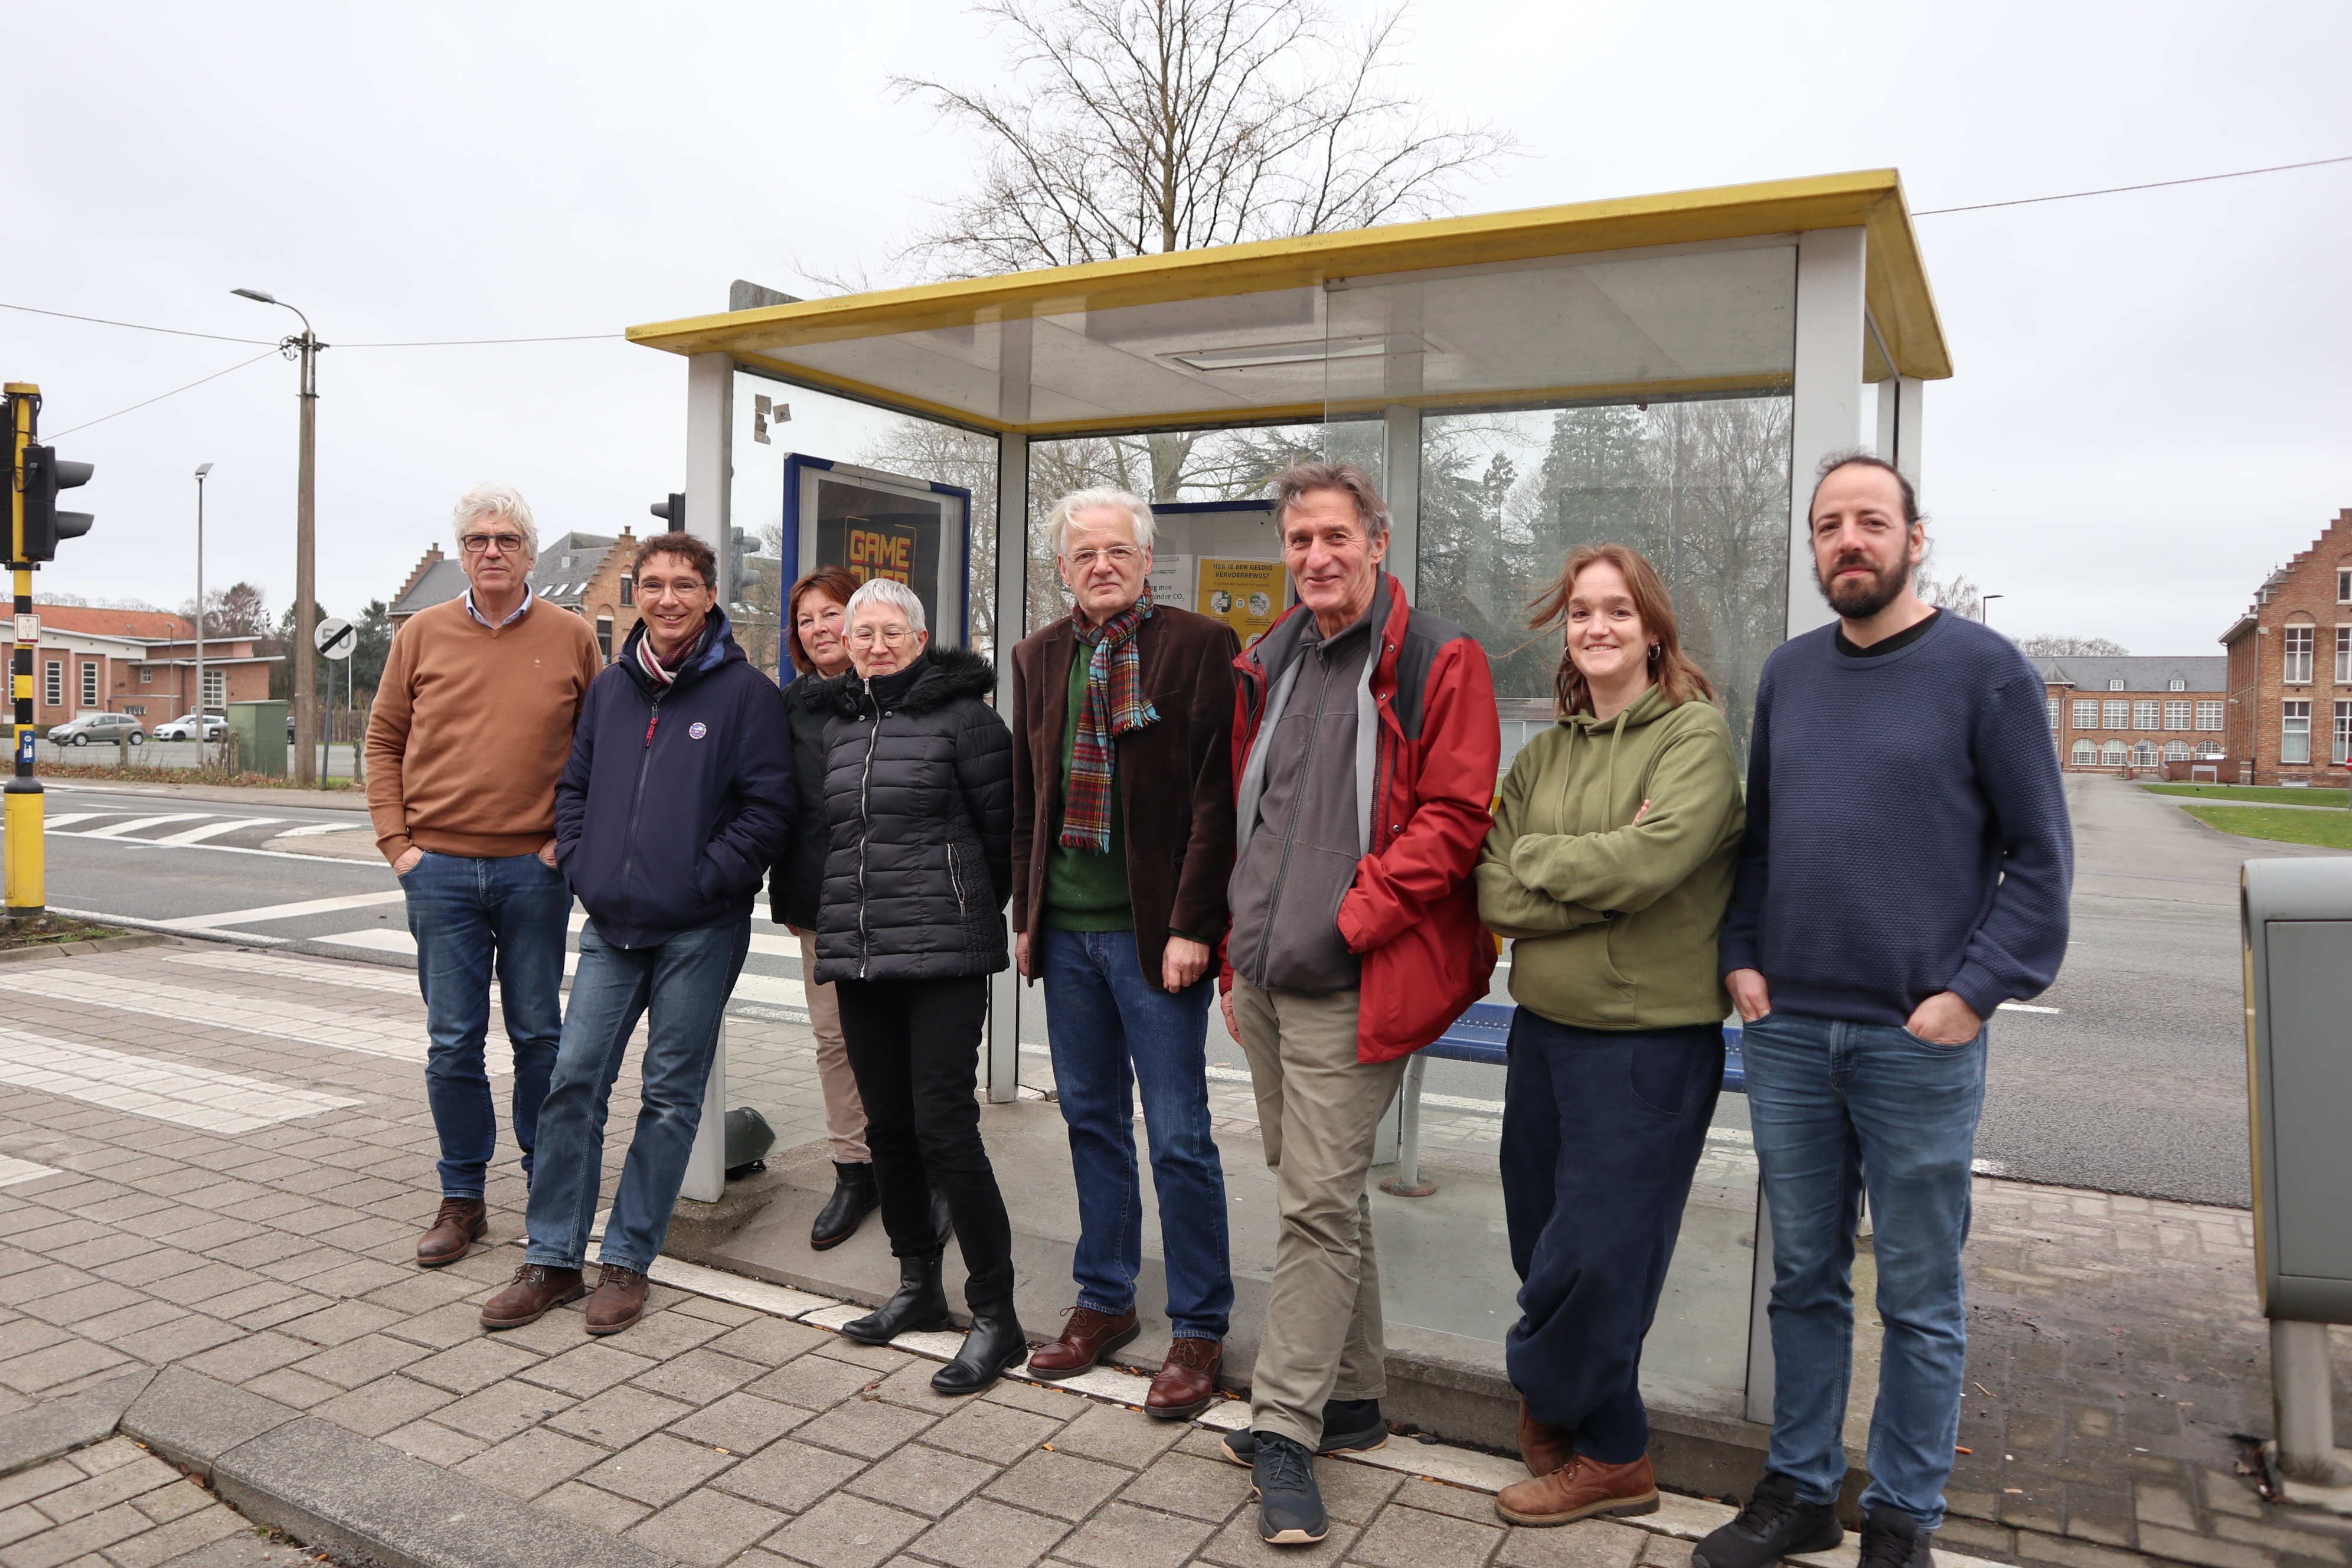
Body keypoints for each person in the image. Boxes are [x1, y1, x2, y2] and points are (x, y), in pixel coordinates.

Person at [1696, 455, 2072, 1568]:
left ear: (1915, 536)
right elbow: (1760, 843)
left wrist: (1969, 993)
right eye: (1826, 526)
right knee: (1803, 1274)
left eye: (1868, 521)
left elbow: (2039, 861)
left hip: (1917, 1042)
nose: (1845, 541)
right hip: (1792, 1034)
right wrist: (1739, 955)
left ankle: (1901, 1518)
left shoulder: (1984, 673)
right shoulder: (1788, 675)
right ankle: (1801, 1491)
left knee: (1918, 1292)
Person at [1216, 462, 1499, 1545]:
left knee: (1312, 1207)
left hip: (1352, 976)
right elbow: (1256, 820)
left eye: (1334, 536)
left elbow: (1455, 814)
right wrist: (1244, 956)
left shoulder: (1438, 657)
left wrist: (1350, 917)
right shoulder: (1271, 660)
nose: (1315, 558)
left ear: (1377, 542)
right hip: (1270, 978)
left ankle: (1283, 1428)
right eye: (1298, 541)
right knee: (1317, 1191)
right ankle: (1356, 1397)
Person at [1474, 544, 1745, 1527]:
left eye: (1615, 612)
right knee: (1538, 1240)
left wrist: (1557, 864)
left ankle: (1600, 1444)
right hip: (1541, 1033)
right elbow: (1492, 885)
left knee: (1596, 1257)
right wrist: (1591, 880)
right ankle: (1587, 1422)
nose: (1595, 627)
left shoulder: (1692, 739)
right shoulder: (1542, 753)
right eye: (1581, 612)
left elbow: (1650, 864)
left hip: (1645, 1048)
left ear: (1652, 629)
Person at [480, 531, 795, 1335]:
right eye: (651, 584)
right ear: (637, 595)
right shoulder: (613, 690)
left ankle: (626, 1262)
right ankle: (552, 1257)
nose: (665, 598)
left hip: (699, 929)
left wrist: (699, 882)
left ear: (708, 595)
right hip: (611, 926)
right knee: (572, 1082)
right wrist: (585, 865)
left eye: (682, 584)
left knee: (668, 1098)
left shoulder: (747, 695)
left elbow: (768, 814)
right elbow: (576, 787)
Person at [1010, 488, 1240, 1419]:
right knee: (1091, 1121)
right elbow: (1029, 792)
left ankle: (1199, 1325)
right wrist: (1025, 913)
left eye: (1117, 551)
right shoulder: (1037, 657)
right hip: (1064, 934)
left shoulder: (1197, 648)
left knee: (1179, 1133)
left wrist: (1194, 924)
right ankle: (1104, 1299)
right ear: (1062, 570)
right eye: (1082, 555)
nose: (1100, 566)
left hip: (1156, 938)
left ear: (1148, 561)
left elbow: (1215, 798)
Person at [367, 484, 603, 1269]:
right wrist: (399, 845)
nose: (491, 550)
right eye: (476, 540)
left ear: (531, 554)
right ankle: (463, 1198)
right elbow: (383, 741)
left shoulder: (572, 636)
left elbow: (597, 752)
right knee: (452, 1043)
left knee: (540, 1036)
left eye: (506, 539)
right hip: (436, 872)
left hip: (534, 872)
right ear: (461, 553)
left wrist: (561, 846)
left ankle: (546, 1188)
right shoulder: (421, 635)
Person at [814, 578, 1025, 1396]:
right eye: (861, 632)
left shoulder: (968, 720)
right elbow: (828, 836)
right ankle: (917, 1288)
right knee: (887, 1127)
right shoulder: (839, 723)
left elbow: (1001, 838)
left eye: (889, 631)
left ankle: (996, 1315)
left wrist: (964, 910)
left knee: (946, 1127)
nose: (874, 645)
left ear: (921, 637)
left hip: (943, 954)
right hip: (861, 953)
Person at [770, 566, 882, 1250]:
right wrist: (787, 892)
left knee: (904, 1043)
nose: (819, 628)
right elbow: (779, 805)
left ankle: (918, 1168)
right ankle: (854, 1168)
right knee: (836, 1041)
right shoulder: (787, 707)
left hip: (902, 898)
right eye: (807, 619)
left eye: (831, 612)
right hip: (819, 898)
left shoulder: (895, 691)